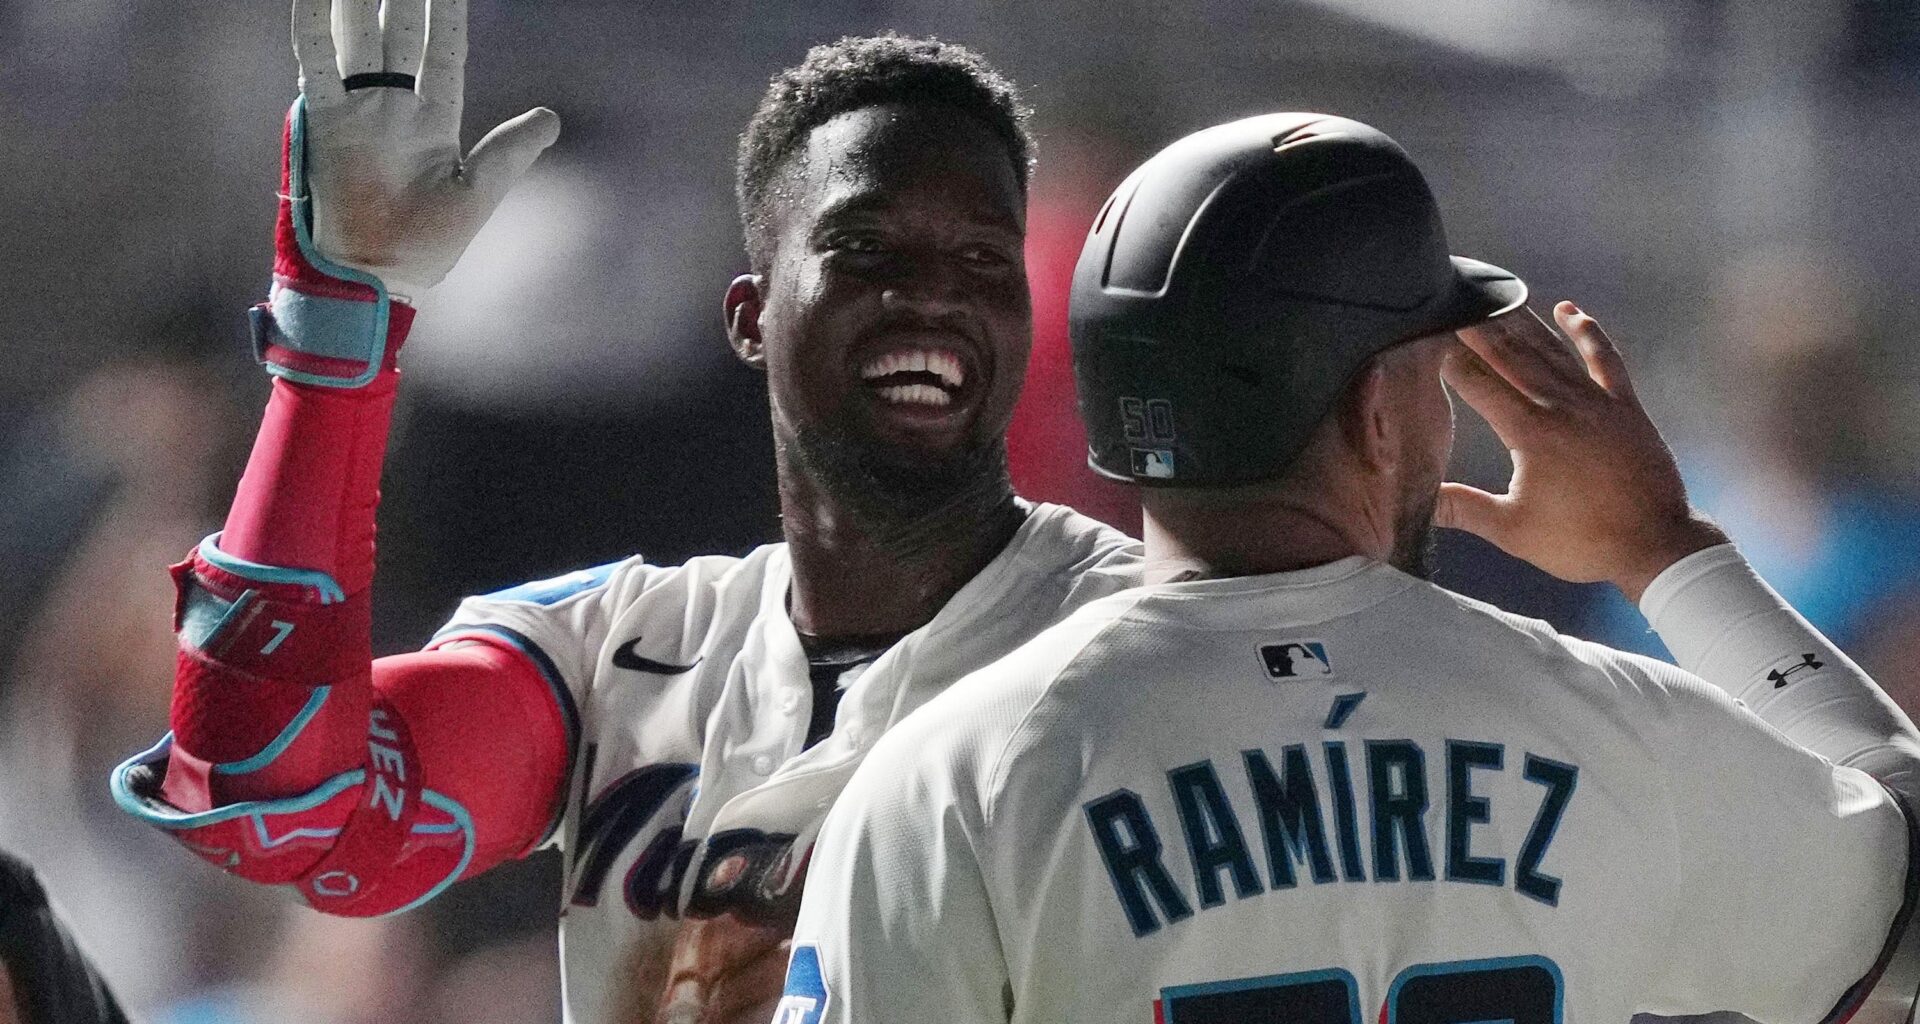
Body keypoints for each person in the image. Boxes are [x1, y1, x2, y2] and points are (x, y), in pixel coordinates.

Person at [108, 4, 1140, 1023]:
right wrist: (332, 340)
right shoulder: (616, 654)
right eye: (867, 253)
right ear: (751, 317)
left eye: (981, 262)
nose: (933, 301)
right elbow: (280, 798)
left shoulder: (1148, 637)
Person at [785, 114, 1920, 1024]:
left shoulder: (947, 775)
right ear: (1376, 412)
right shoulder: (1617, 727)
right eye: (1430, 375)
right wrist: (1667, 551)